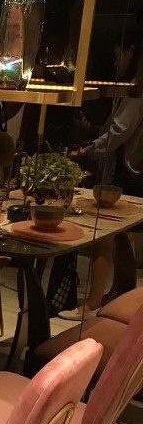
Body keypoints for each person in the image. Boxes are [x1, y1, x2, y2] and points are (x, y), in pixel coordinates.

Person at [59, 25, 143, 321]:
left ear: (131, 52)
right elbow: (114, 130)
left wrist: (86, 151)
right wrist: (93, 133)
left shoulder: (135, 91)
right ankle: (120, 297)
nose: (114, 62)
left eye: (118, 55)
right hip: (131, 173)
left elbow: (118, 132)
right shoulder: (131, 89)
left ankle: (92, 304)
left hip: (126, 176)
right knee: (121, 238)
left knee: (103, 234)